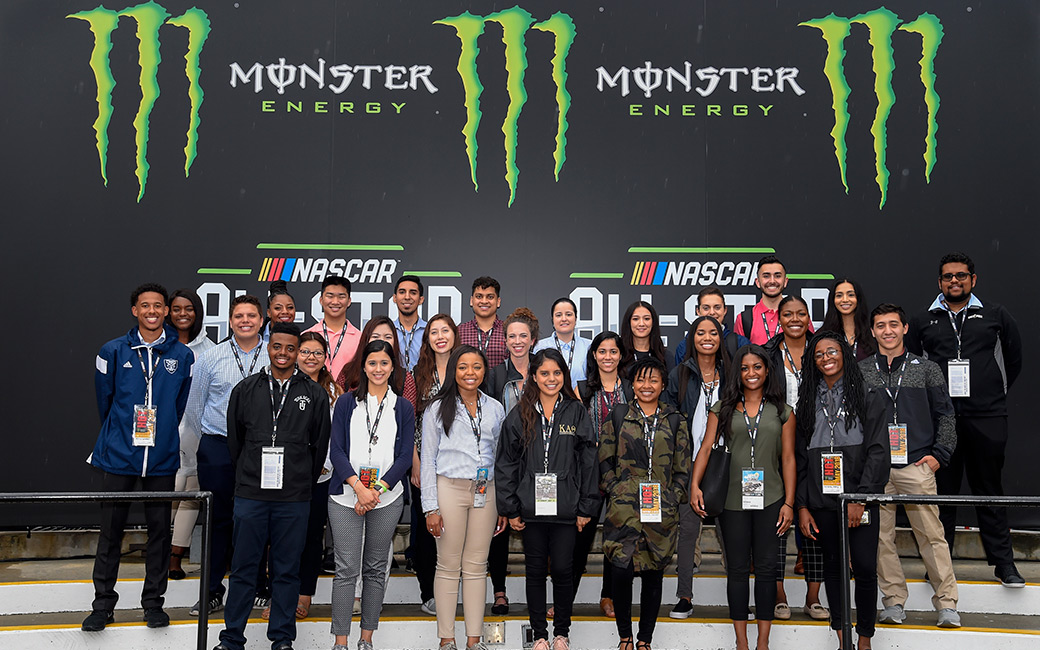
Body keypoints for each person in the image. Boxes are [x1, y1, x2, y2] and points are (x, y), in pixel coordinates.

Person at [906, 252, 1024, 587]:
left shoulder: (995, 315)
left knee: (989, 491)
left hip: (987, 417)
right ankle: (939, 568)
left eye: (961, 276)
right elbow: (915, 369)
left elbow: (1013, 361)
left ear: (973, 279)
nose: (954, 281)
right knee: (941, 494)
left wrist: (990, 395)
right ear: (939, 282)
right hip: (941, 422)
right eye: (947, 277)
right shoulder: (923, 320)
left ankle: (1004, 565)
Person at [82, 283, 194, 632]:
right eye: (144, 305)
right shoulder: (112, 350)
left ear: (166, 311)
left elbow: (178, 407)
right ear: (135, 310)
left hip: (160, 460)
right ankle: (103, 606)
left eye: (158, 306)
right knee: (110, 533)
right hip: (118, 456)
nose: (151, 311)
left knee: (160, 533)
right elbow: (106, 401)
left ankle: (153, 604)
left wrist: (158, 441)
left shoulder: (182, 356)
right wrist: (119, 435)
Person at [215, 323, 331, 650]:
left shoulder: (314, 393)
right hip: (251, 494)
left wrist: (299, 482)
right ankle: (231, 639)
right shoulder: (246, 389)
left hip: (293, 498)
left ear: (298, 351)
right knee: (243, 569)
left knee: (286, 570)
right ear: (269, 346)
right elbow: (235, 443)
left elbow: (318, 447)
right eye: (277, 346)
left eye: (290, 348)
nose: (283, 353)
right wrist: (249, 474)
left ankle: (281, 639)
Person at [861, 304, 960, 628]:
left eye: (893, 324)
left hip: (916, 466)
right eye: (880, 325)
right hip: (877, 469)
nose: (887, 331)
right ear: (872, 331)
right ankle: (893, 603)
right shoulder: (861, 371)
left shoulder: (927, 368)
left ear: (905, 328)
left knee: (932, 536)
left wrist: (938, 456)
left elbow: (945, 415)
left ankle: (947, 604)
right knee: (879, 538)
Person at [690, 344, 795, 650]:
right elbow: (706, 448)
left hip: (772, 498)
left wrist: (789, 502)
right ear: (738, 372)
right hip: (732, 501)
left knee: (766, 570)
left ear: (767, 371)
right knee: (736, 570)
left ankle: (762, 642)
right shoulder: (721, 408)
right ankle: (741, 642)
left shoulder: (783, 412)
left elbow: (788, 458)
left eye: (757, 367)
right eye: (745, 368)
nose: (751, 373)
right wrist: (695, 486)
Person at [496, 349, 600, 650]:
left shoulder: (576, 411)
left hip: (567, 509)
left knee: (564, 570)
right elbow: (506, 463)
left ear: (563, 376)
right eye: (544, 373)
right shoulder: (520, 413)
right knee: (536, 570)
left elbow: (589, 462)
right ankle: (540, 634)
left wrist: (586, 507)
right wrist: (510, 507)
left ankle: (561, 633)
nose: (551, 379)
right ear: (533, 376)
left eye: (556, 373)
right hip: (530, 509)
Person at [796, 332, 889, 650]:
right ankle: (843, 639)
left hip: (859, 500)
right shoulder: (807, 399)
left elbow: (878, 450)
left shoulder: (868, 394)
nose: (825, 358)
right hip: (821, 501)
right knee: (834, 568)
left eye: (831, 351)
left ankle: (864, 640)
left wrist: (861, 497)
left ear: (844, 354)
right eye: (818, 354)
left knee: (863, 567)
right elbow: (800, 459)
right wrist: (802, 506)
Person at [183, 294, 267, 616]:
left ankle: (258, 584)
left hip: (261, 450)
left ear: (261, 321)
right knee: (218, 520)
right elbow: (194, 410)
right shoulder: (211, 358)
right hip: (217, 446)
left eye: (251, 315)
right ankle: (213, 590)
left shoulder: (274, 357)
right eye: (239, 316)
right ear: (230, 321)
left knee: (258, 519)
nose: (245, 320)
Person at [328, 340, 415, 650]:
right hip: (345, 496)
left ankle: (366, 639)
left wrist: (376, 490)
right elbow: (336, 450)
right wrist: (359, 488)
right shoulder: (346, 403)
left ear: (393, 368)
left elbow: (405, 455)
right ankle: (341, 642)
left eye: (384, 364)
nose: (378, 369)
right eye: (372, 363)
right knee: (346, 569)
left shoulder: (403, 406)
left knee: (377, 568)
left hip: (386, 498)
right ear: (363, 366)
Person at [599, 357, 690, 650]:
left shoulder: (675, 419)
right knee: (621, 571)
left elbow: (682, 468)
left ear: (663, 384)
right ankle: (624, 635)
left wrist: (673, 496)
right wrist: (615, 488)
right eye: (641, 380)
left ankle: (644, 640)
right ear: (632, 384)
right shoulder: (618, 415)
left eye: (653, 380)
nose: (646, 385)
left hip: (660, 510)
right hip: (623, 510)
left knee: (654, 573)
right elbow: (604, 459)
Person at [421, 346, 508, 650]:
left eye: (476, 367)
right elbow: (428, 459)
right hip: (449, 489)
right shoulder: (436, 408)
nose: (470, 373)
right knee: (447, 565)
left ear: (485, 371)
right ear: (453, 371)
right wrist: (430, 507)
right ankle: (447, 639)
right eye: (463, 367)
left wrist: (503, 504)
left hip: (487, 491)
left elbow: (501, 457)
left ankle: (474, 640)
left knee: (476, 565)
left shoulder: (496, 408)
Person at [763, 295, 827, 621]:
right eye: (788, 314)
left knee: (812, 515)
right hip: (778, 444)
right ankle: (779, 594)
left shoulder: (823, 348)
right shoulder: (769, 353)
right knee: (778, 517)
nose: (794, 319)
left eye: (800, 313)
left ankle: (813, 597)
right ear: (779, 318)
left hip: (818, 442)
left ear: (808, 317)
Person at [663, 315, 728, 619]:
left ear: (720, 337)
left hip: (728, 460)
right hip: (691, 461)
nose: (707, 337)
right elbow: (670, 420)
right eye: (700, 332)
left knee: (732, 532)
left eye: (712, 332)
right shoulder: (680, 374)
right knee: (688, 531)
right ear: (692, 338)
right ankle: (684, 596)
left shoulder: (731, 373)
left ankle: (738, 596)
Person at [484, 307, 540, 614]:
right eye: (511, 336)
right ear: (504, 341)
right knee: (499, 528)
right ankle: (500, 590)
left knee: (538, 528)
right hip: (503, 461)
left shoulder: (544, 369)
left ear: (533, 339)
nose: (517, 341)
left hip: (539, 462)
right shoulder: (494, 374)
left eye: (523, 336)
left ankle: (541, 591)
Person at [575, 331, 633, 619]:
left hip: (625, 473)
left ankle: (608, 596)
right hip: (590, 472)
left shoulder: (633, 390)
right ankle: (566, 597)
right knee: (580, 537)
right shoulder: (582, 389)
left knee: (616, 536)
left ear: (620, 355)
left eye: (613, 351)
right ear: (594, 355)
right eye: (602, 351)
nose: (608, 357)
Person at [409, 314, 460, 616]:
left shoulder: (466, 368)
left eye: (445, 331)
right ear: (427, 339)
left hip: (458, 467)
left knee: (457, 530)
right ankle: (428, 591)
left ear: (454, 335)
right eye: (433, 332)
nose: (440, 336)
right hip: (425, 462)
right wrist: (415, 461)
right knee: (428, 529)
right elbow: (410, 419)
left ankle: (452, 589)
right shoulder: (418, 374)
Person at [292, 332, 344, 621]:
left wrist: (324, 465)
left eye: (317, 353)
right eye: (305, 351)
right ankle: (281, 594)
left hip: (320, 477)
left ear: (325, 358)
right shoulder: (282, 385)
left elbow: (336, 436)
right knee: (284, 538)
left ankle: (304, 595)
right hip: (286, 478)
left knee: (312, 537)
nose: (311, 357)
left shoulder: (333, 392)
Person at [167, 288, 215, 581]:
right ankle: (160, 548)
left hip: (197, 432)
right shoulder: (157, 345)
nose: (183, 314)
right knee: (164, 492)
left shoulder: (210, 350)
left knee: (190, 495)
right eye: (177, 309)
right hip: (161, 433)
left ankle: (175, 556)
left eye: (189, 309)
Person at [338, 315, 417, 400]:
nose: (381, 341)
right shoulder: (348, 372)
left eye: (388, 337)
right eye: (375, 336)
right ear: (366, 340)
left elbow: (409, 411)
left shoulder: (405, 379)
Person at [306, 276, 362, 389]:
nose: (335, 302)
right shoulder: (308, 335)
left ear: (349, 301)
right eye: (330, 296)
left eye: (341, 296)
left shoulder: (360, 338)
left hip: (348, 399)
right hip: (313, 396)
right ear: (321, 300)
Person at [673, 287, 750, 366]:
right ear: (698, 311)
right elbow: (680, 376)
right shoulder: (685, 346)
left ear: (725, 310)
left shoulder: (740, 343)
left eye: (717, 307)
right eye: (706, 308)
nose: (712, 312)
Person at [533, 297, 592, 385]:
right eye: (558, 315)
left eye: (568, 314)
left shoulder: (588, 346)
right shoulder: (540, 346)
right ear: (552, 320)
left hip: (581, 398)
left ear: (575, 319)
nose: (564, 319)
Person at [734, 256, 788, 345]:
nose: (772, 281)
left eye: (777, 276)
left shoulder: (797, 316)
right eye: (766, 276)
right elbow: (740, 356)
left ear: (785, 281)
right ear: (758, 282)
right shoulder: (744, 319)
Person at [820, 278, 875, 361]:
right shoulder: (823, 335)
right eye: (839, 295)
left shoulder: (872, 333)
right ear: (833, 300)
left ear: (858, 299)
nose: (845, 300)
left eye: (851, 295)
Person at [458, 276, 507, 368]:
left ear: (498, 302)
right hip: (468, 381)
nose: (484, 301)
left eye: (490, 297)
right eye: (479, 296)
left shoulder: (508, 331)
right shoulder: (459, 332)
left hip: (501, 382)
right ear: (471, 301)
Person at [619, 300, 674, 377]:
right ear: (628, 322)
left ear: (653, 322)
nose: (641, 324)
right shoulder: (619, 354)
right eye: (635, 319)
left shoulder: (665, 356)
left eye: (646, 319)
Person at [393, 274, 427, 372]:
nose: (407, 297)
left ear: (421, 299)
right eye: (402, 292)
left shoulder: (430, 331)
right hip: (395, 385)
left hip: (424, 385)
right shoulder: (388, 331)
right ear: (395, 298)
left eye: (413, 292)